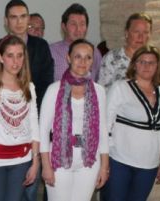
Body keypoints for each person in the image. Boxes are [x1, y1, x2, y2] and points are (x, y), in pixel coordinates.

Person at [101, 46, 160, 201]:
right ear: (134, 64)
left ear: (157, 66)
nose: (146, 66)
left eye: (151, 63)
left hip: (149, 164)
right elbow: (105, 127)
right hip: (119, 160)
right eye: (142, 62)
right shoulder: (120, 88)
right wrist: (104, 163)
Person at [39, 39, 109, 201]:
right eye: (78, 56)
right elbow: (42, 130)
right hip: (58, 159)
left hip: (89, 160)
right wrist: (46, 165)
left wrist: (104, 166)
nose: (83, 62)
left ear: (93, 61)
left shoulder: (99, 91)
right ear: (68, 58)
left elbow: (102, 129)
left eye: (88, 57)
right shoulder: (54, 89)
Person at [0, 35, 39, 201]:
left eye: (19, 55)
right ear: (0, 57)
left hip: (22, 160)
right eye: (10, 55)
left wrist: (35, 162)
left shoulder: (29, 88)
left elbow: (35, 127)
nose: (15, 61)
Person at [0, 0, 54, 109]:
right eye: (14, 17)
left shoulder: (41, 46)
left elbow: (46, 82)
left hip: (36, 107)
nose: (19, 22)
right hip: (4, 109)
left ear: (28, 19)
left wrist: (32, 107)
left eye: (23, 16)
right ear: (6, 21)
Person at [49, 4, 102, 82]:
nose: (78, 29)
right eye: (73, 24)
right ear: (63, 27)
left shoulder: (95, 53)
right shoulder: (51, 51)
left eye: (82, 24)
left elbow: (99, 81)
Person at [99, 13, 152, 90]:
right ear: (127, 33)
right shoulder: (111, 58)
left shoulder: (155, 60)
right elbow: (102, 90)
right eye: (136, 32)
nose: (140, 37)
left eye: (145, 32)